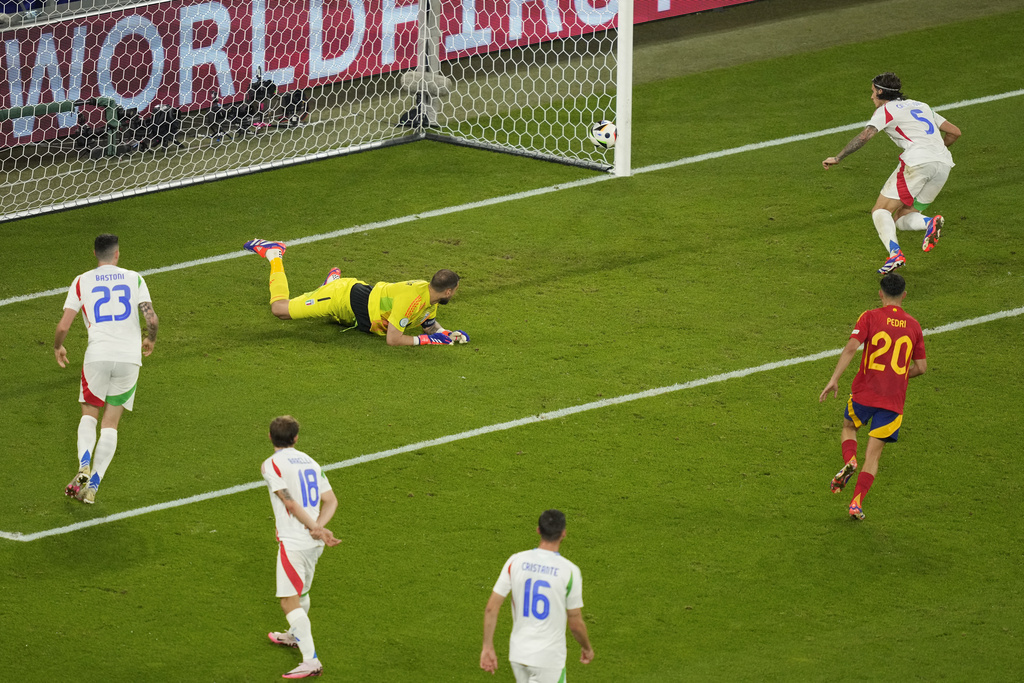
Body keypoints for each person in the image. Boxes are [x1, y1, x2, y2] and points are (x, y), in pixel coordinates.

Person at [54, 234, 158, 504]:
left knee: (89, 416)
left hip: (97, 357)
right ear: (117, 254)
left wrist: (58, 347)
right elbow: (151, 318)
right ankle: (93, 486)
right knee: (110, 424)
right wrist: (150, 338)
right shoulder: (134, 278)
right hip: (129, 359)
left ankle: (83, 466)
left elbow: (63, 326)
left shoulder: (82, 281)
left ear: (94, 254)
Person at [822, 72, 961, 274]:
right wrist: (935, 151)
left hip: (917, 161)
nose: (871, 97)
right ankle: (929, 223)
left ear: (880, 91)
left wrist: (838, 157)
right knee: (903, 217)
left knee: (880, 210)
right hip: (943, 165)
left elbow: (865, 136)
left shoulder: (886, 110)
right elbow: (955, 132)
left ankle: (895, 255)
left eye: (872, 92)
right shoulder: (921, 105)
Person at [818, 273, 927, 520]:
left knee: (849, 426)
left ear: (881, 293)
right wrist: (899, 376)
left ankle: (850, 460)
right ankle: (856, 503)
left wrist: (834, 379)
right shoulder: (914, 326)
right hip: (892, 401)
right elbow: (921, 367)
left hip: (864, 393)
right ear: (904, 295)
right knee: (874, 454)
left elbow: (851, 347)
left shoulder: (870, 317)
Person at [243, 238, 469, 346]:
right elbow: (393, 339)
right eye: (456, 290)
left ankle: (329, 283)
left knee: (332, 320)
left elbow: (427, 322)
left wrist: (446, 333)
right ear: (448, 291)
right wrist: (431, 341)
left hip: (357, 315)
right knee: (279, 309)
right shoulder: (411, 300)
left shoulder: (430, 294)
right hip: (343, 298)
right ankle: (275, 255)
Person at [261, 415, 341, 679]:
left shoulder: (271, 464)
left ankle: (311, 660)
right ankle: (294, 636)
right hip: (312, 543)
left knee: (288, 601)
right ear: (296, 438)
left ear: (271, 437)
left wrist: (314, 528)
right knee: (301, 593)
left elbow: (290, 504)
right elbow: (331, 501)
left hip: (295, 541)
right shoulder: (310, 461)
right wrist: (318, 527)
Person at [481, 509, 594, 682]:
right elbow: (575, 623)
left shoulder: (515, 561)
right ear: (563, 533)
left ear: (538, 530)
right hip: (548, 659)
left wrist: (487, 647)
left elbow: (491, 608)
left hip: (519, 655)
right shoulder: (569, 571)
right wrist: (587, 648)